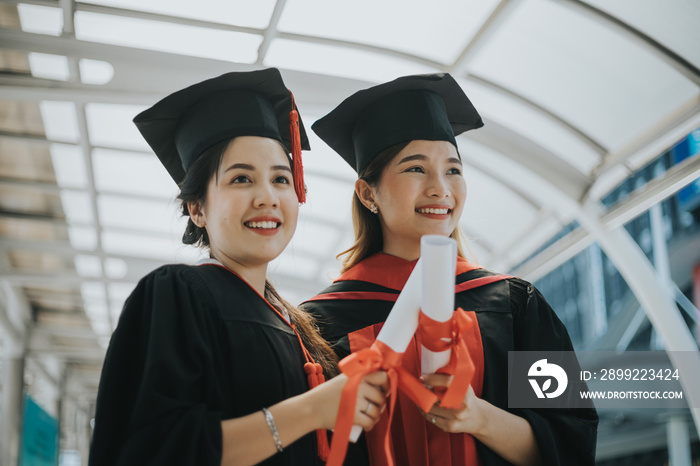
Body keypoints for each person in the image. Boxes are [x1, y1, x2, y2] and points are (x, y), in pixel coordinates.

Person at [88, 68, 388, 466]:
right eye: (242, 179)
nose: (267, 197)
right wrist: (311, 410)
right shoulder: (178, 294)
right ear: (197, 208)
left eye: (281, 179)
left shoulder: (298, 326)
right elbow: (159, 450)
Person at [301, 73, 598, 466]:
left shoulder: (514, 305)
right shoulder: (319, 323)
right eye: (415, 169)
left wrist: (481, 418)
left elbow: (572, 441)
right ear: (367, 193)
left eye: (453, 170)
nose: (441, 188)